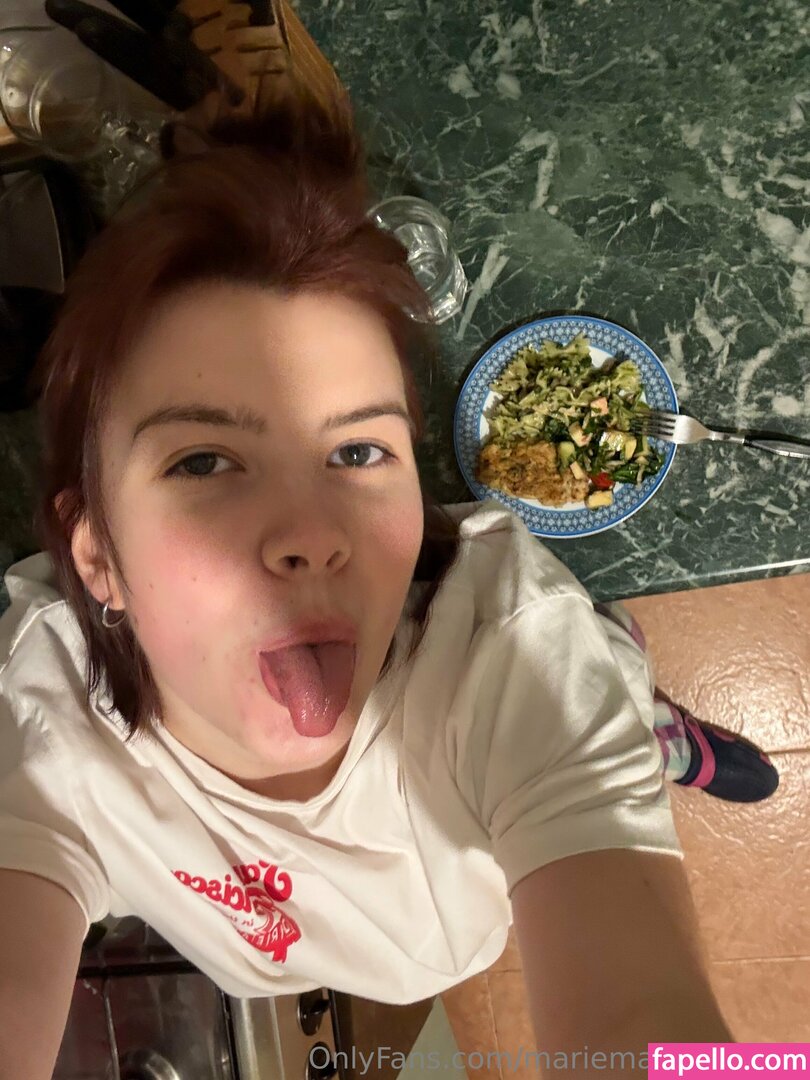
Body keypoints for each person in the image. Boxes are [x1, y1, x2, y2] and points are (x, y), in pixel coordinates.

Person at [0, 91, 776, 1077]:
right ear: (97, 555)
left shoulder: (513, 657)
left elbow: (644, 1027)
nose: (312, 537)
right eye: (203, 461)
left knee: (592, 689)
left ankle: (640, 726)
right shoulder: (46, 725)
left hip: (512, 819)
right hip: (345, 949)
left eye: (358, 450)